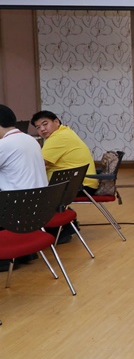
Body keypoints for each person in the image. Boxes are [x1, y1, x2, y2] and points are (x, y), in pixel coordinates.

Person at [0, 104, 48, 271]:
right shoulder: (30, 140)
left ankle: (5, 257)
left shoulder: (5, 145)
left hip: (15, 208)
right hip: (37, 206)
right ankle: (25, 253)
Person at [31, 110, 98, 194]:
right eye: (38, 127)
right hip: (81, 183)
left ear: (56, 122)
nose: (42, 129)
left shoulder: (58, 137)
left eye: (45, 124)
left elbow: (39, 163)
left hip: (79, 186)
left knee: (30, 193)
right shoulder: (65, 131)